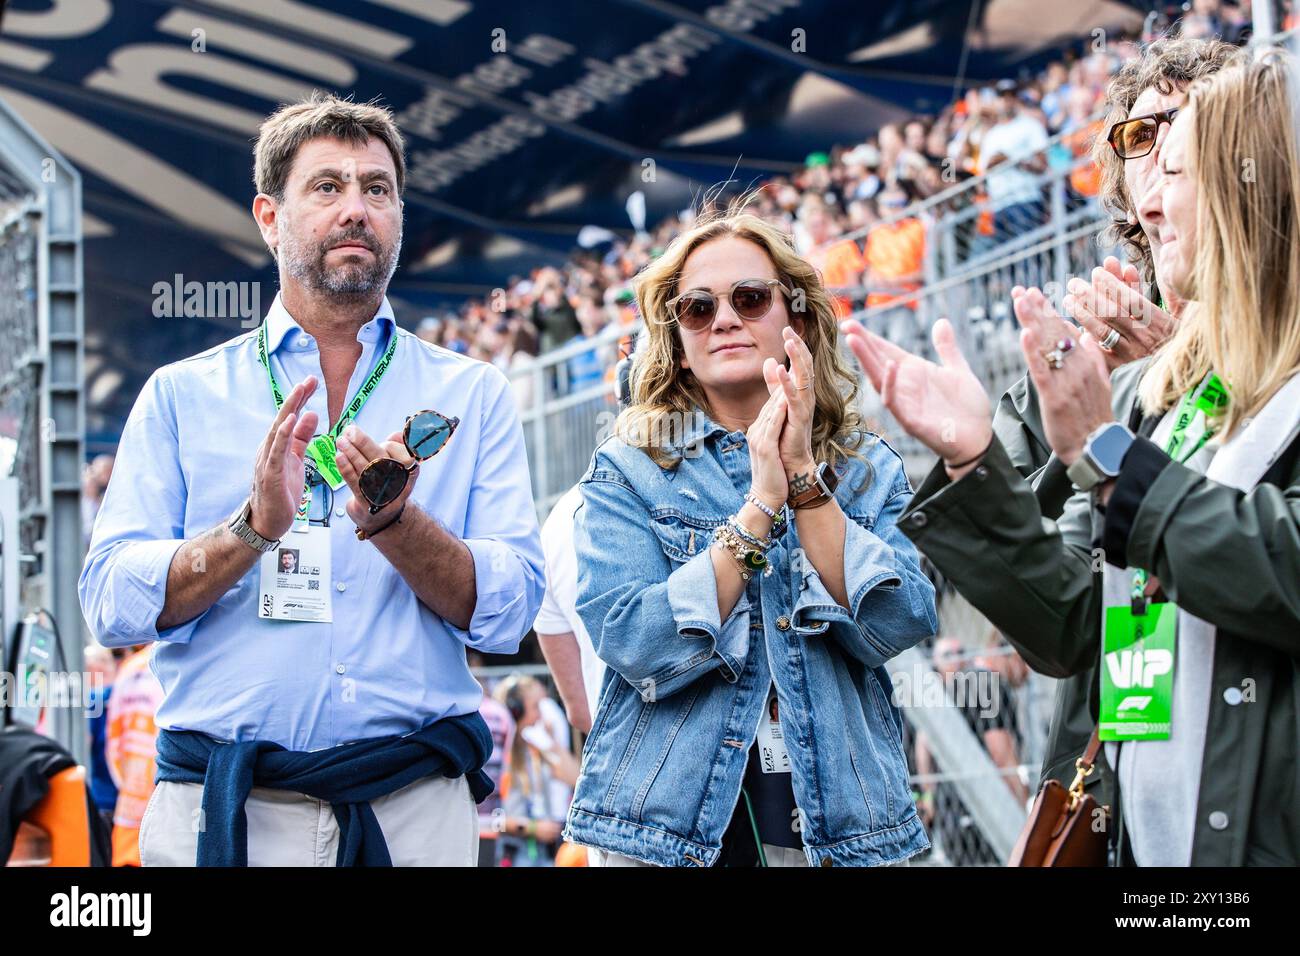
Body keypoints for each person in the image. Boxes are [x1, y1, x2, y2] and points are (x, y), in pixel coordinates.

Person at [843, 51, 1300, 865]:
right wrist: (975, 459)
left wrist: (1114, 451)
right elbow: (1075, 624)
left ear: (1256, 171)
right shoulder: (1147, 390)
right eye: (1141, 140)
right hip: (1134, 829)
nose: (1157, 184)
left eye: (1182, 146)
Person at [79, 92, 545, 867]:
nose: (356, 208)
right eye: (327, 187)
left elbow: (508, 610)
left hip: (412, 813)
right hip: (226, 813)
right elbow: (110, 603)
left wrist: (397, 524)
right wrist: (250, 531)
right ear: (269, 216)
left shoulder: (473, 392)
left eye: (377, 188)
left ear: (399, 214)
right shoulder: (180, 393)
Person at [564, 206, 937, 867]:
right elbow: (632, 640)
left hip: (844, 828)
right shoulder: (628, 470)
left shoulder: (866, 468)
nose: (726, 319)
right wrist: (760, 508)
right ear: (677, 341)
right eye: (698, 308)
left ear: (795, 316)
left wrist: (802, 478)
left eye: (750, 298)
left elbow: (897, 620)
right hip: (665, 836)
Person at [990, 38, 1238, 809]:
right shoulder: (1074, 349)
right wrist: (1094, 420)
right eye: (1139, 133)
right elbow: (1015, 555)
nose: (1163, 150)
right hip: (1115, 755)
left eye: (1188, 123)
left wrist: (1194, 386)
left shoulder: (1278, 339)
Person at [492, 675, 580, 866]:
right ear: (516, 710)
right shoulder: (497, 754)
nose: (541, 716)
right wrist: (532, 828)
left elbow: (576, 779)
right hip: (513, 853)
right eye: (535, 707)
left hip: (541, 853)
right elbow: (487, 819)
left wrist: (553, 743)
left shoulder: (533, 747)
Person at [104, 644, 164, 866]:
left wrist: (126, 783)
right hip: (171, 798)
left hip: (130, 804)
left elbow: (114, 742)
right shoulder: (176, 657)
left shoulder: (129, 669)